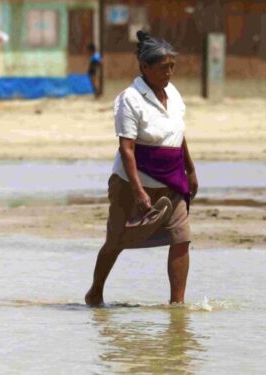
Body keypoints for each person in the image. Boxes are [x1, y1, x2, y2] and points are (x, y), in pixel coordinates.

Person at [85, 31, 199, 306]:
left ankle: (177, 305)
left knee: (181, 237)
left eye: (172, 66)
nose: (169, 73)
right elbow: (127, 148)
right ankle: (95, 292)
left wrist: (191, 171)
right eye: (163, 67)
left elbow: (178, 135)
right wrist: (138, 191)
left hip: (172, 181)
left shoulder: (173, 94)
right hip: (132, 182)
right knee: (116, 240)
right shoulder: (130, 99)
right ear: (145, 67)